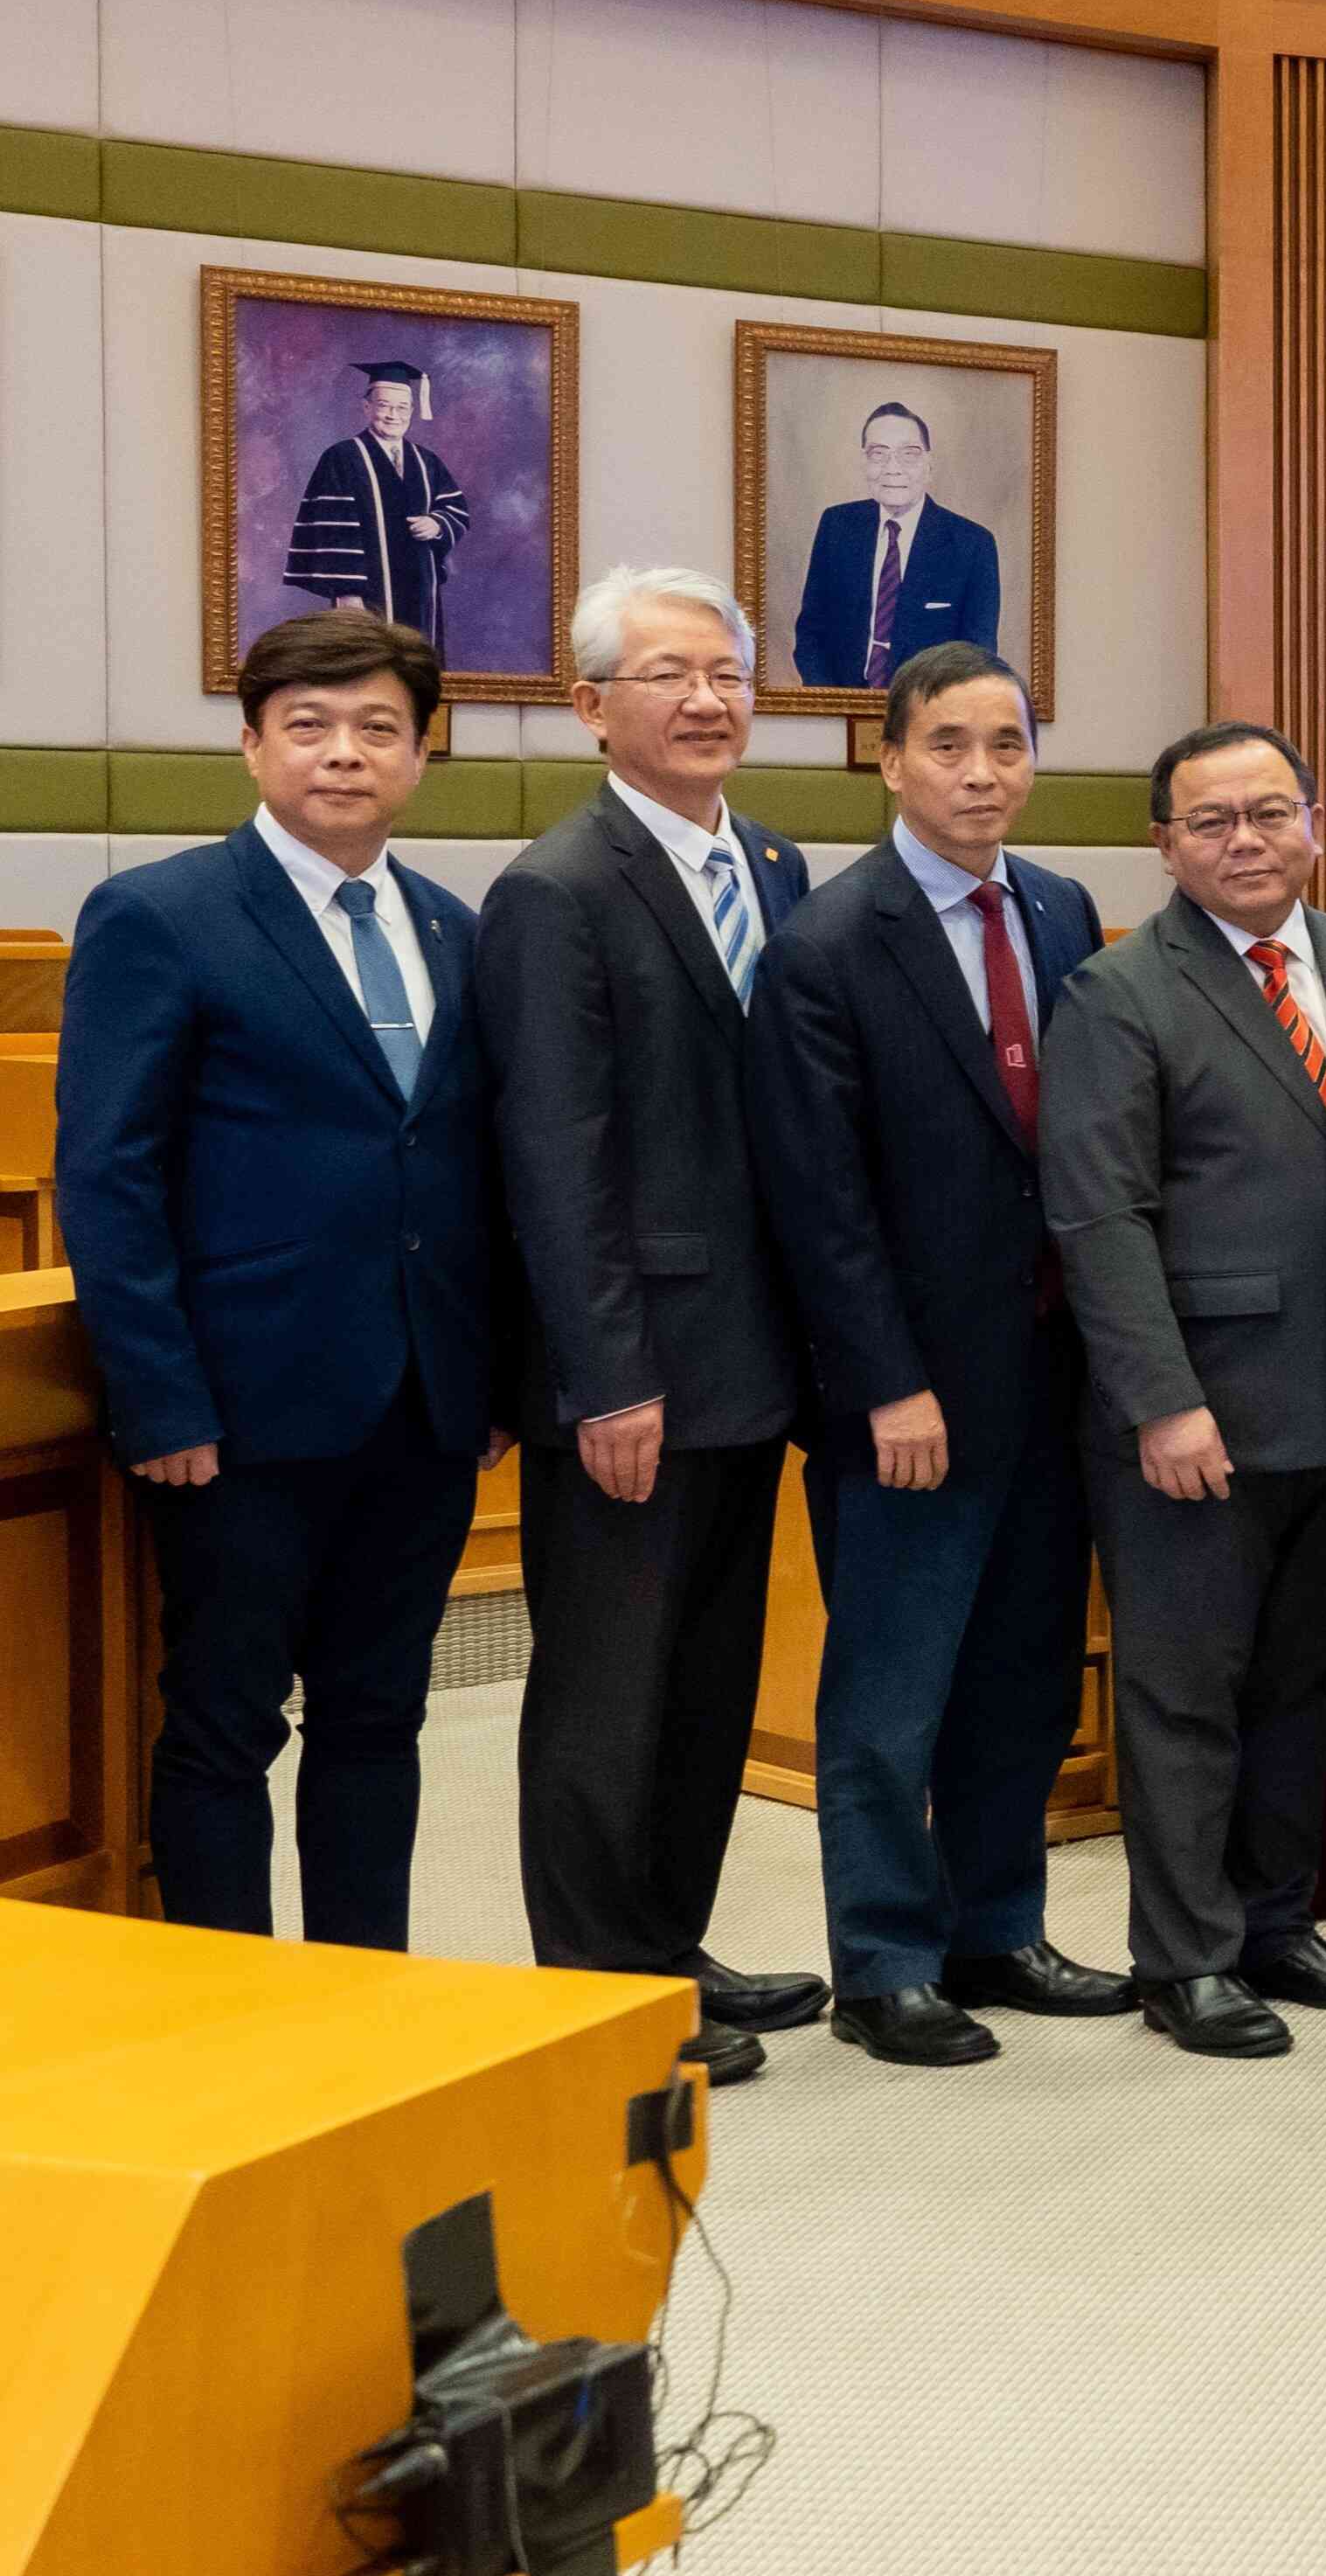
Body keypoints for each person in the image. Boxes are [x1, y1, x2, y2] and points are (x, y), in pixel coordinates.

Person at [53, 610, 501, 1952]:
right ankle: (227, 2014)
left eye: (378, 729)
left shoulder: (454, 929)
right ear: (253, 745)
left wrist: (491, 1379)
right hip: (236, 1413)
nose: (344, 755)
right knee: (223, 1725)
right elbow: (109, 1179)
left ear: (421, 755)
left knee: (380, 1718)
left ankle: (363, 1997)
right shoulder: (161, 914)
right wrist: (162, 1403)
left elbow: (473, 1168)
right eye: (308, 726)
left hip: (422, 1401)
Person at [748, 642, 1125, 2066]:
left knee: (1024, 1671)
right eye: (950, 747)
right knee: (891, 1691)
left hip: (1049, 1374)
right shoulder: (829, 944)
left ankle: (997, 1928)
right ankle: (887, 1963)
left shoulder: (1064, 906)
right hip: (906, 1392)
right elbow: (819, 1200)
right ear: (891, 761)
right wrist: (884, 1381)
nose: (982, 773)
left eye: (1007, 746)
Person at [476, 566, 823, 2081]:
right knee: (605, 1693)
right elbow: (555, 1159)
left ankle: (669, 1949)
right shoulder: (555, 889)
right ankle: (595, 1997)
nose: (705, 700)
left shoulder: (783, 864)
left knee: (706, 1686)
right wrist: (604, 1375)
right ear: (591, 705)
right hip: (631, 1373)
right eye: (668, 674)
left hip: (757, 1361)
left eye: (727, 673)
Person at [1031, 721, 1326, 2058]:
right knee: (1183, 1694)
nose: (1244, 841)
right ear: (1165, 843)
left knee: (1298, 1685)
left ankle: (1272, 1925)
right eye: (1211, 822)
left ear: (1314, 822)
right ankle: (1182, 1962)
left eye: (1268, 813)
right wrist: (1161, 1402)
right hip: (1195, 1414)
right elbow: (1100, 1217)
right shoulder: (1118, 990)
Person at [789, 399, 1004, 691]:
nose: (893, 469)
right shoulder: (837, 525)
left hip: (928, 713)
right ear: (864, 462)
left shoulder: (972, 544)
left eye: (909, 454)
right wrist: (829, 702)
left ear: (929, 464)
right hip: (840, 705)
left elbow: (977, 657)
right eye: (879, 454)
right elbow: (811, 632)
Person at [281, 351, 475, 651]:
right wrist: (347, 593)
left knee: (419, 665)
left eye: (402, 408)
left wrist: (437, 523)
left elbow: (456, 509)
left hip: (421, 591)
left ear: (412, 410)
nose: (393, 415)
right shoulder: (342, 457)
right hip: (365, 593)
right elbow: (331, 531)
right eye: (384, 406)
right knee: (368, 662)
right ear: (366, 407)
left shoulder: (426, 461)